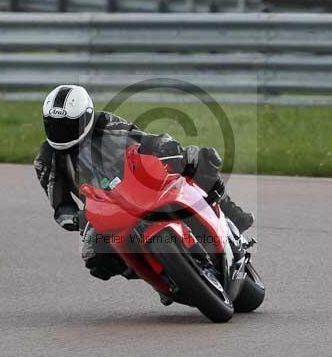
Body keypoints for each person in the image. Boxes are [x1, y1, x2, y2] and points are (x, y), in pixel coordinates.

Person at [34, 84, 254, 281]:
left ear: (86, 117)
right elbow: (60, 204)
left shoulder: (104, 123)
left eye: (67, 125)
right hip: (103, 208)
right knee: (95, 259)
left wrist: (163, 147)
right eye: (53, 125)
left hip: (134, 181)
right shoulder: (46, 159)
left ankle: (230, 212)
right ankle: (157, 276)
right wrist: (75, 218)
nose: (60, 132)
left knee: (199, 158)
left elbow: (141, 138)